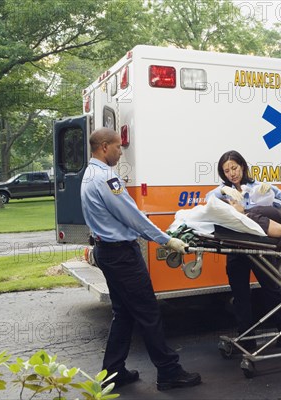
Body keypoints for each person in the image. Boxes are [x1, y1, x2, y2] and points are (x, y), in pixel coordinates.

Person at [80, 128, 202, 391]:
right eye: (117, 147)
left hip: (107, 251)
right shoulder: (106, 179)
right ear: (103, 147)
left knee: (123, 313)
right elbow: (132, 216)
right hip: (121, 254)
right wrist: (167, 240)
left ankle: (113, 372)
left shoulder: (89, 174)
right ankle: (169, 372)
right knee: (148, 312)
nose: (120, 151)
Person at [205, 150, 281, 350]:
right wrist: (224, 192)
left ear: (242, 166)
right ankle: (246, 337)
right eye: (226, 171)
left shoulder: (255, 187)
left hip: (259, 245)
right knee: (240, 294)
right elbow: (209, 199)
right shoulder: (222, 191)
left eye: (234, 168)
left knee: (271, 287)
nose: (232, 173)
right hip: (236, 247)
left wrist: (272, 190)